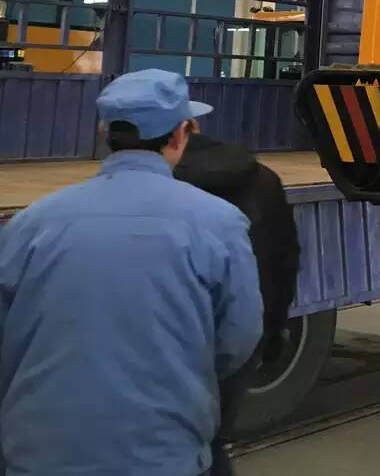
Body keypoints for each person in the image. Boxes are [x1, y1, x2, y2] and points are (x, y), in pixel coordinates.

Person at [0, 70, 263, 476]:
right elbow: (238, 338)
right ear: (181, 135)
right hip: (161, 456)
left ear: (104, 132)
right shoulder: (220, 224)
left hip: (36, 456)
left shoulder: (32, 223)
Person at [175, 130, 300, 472]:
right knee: (212, 439)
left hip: (177, 340)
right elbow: (283, 260)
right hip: (238, 344)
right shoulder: (263, 180)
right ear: (191, 128)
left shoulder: (162, 190)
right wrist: (274, 330)